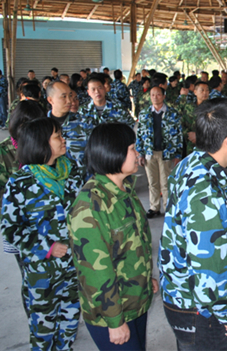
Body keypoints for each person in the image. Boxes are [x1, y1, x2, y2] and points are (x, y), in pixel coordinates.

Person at [159, 98, 227, 351]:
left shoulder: (192, 161)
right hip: (200, 308)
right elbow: (207, 266)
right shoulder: (206, 192)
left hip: (184, 294)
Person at [69, 123, 158, 350]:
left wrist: (146, 279)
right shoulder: (90, 206)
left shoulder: (124, 190)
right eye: (132, 148)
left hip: (135, 301)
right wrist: (115, 321)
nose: (137, 154)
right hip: (111, 314)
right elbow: (95, 271)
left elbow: (135, 245)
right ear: (113, 152)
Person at [0, 117, 85, 350]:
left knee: (70, 324)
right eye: (57, 136)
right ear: (41, 142)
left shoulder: (73, 171)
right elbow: (10, 229)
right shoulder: (21, 182)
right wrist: (47, 247)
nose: (63, 139)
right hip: (42, 273)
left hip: (73, 267)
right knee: (43, 331)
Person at [0, 101, 45, 317]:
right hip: (21, 227)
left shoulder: (45, 148)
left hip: (48, 222)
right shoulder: (1, 153)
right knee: (30, 275)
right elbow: (0, 197)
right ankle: (35, 319)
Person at [136, 86, 183, 219]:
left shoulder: (172, 113)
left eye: (158, 94)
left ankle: (168, 208)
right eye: (152, 95)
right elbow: (139, 134)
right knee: (152, 182)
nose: (155, 97)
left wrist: (178, 154)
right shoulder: (144, 114)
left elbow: (179, 135)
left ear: (163, 96)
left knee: (166, 182)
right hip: (149, 152)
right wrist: (140, 153)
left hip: (166, 152)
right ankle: (154, 207)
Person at [47, 81, 89, 166]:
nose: (69, 101)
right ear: (50, 100)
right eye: (64, 97)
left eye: (70, 96)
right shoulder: (41, 127)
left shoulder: (85, 122)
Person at [181, 80, 210, 155]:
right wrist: (189, 135)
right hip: (191, 145)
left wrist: (199, 136)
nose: (205, 92)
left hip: (208, 145)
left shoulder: (213, 108)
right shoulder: (189, 107)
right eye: (202, 90)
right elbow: (182, 123)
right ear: (195, 92)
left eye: (207, 90)